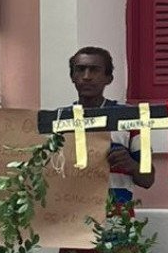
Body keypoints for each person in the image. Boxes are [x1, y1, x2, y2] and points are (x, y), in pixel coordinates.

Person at [63, 46, 155, 203]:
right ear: (72, 76)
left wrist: (131, 165)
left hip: (117, 219)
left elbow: (148, 180)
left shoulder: (131, 118)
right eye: (80, 69)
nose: (86, 76)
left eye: (94, 70)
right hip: (70, 217)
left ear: (109, 78)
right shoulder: (59, 120)